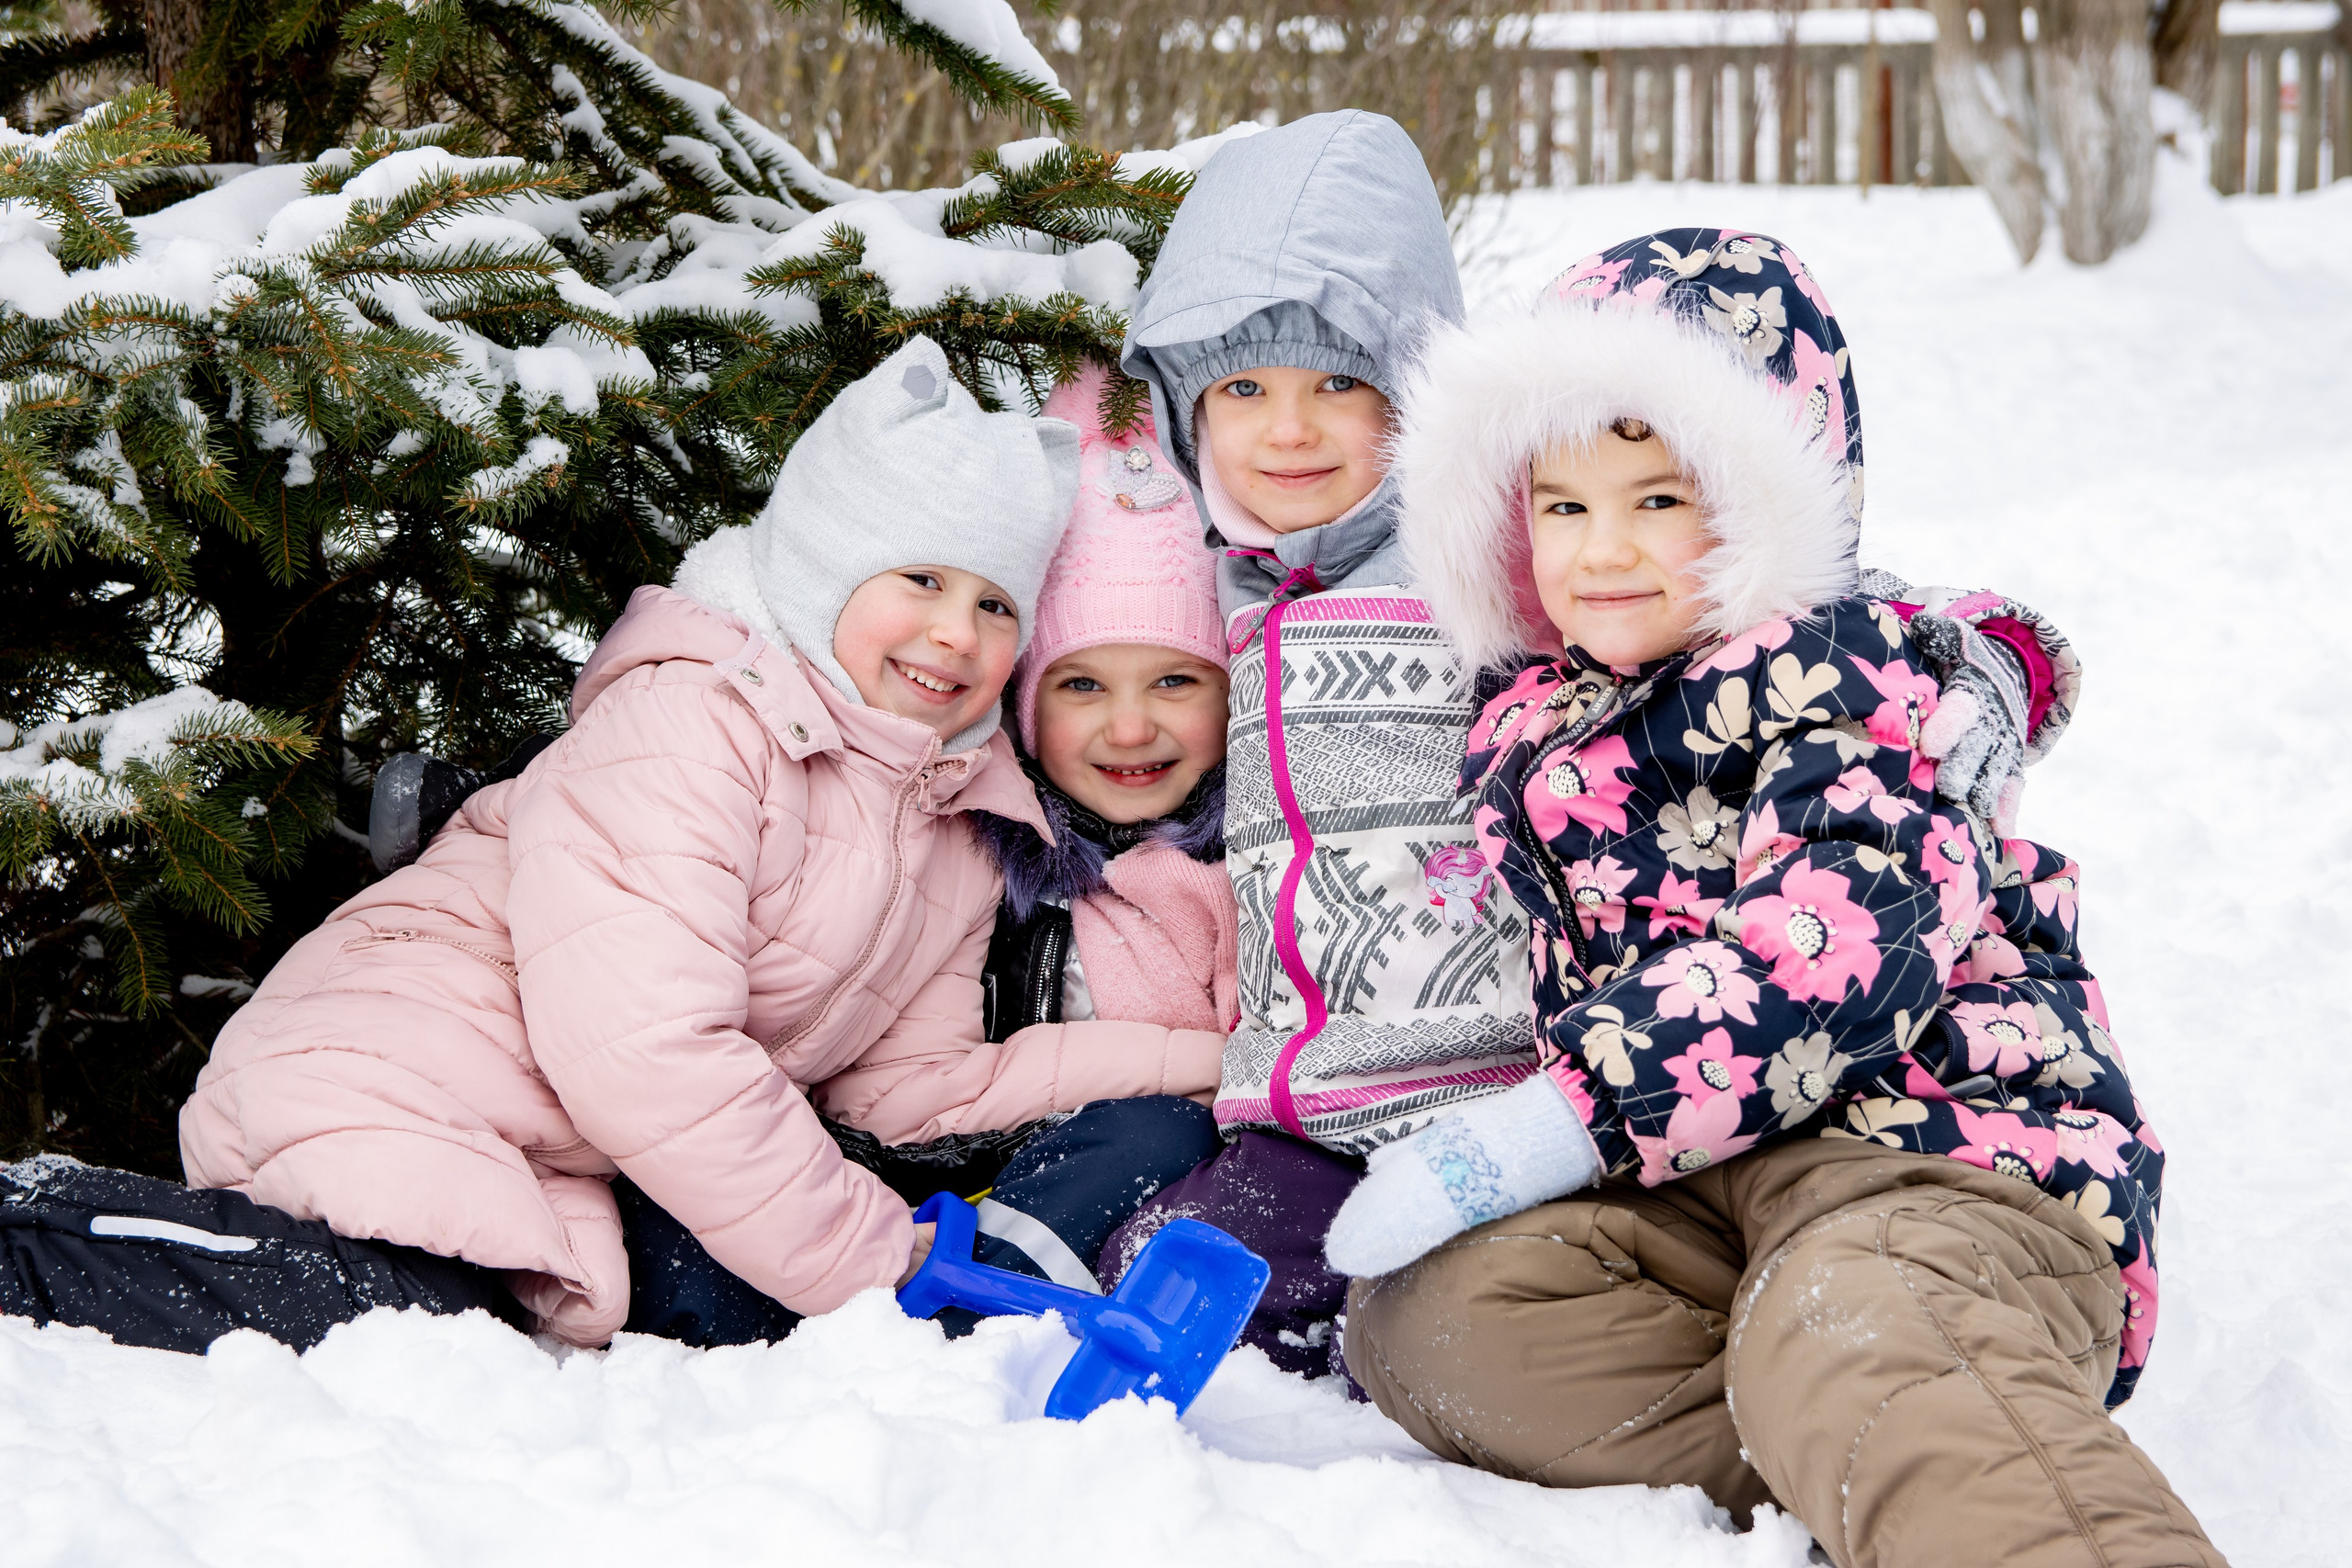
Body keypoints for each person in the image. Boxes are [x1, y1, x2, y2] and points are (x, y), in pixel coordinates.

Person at [26, 334, 1220, 1356]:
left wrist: (1216, 1059)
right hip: (396, 1076)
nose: (957, 633)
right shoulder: (694, 723)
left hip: (545, 1148)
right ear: (827, 560)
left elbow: (909, 1089)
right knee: (381, 1317)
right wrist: (871, 1262)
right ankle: (28, 1234)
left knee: (472, 1336)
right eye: (921, 578)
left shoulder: (955, 824)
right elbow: (647, 1050)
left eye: (996, 603)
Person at [1327, 230, 2221, 1567]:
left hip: (1929, 1157)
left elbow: (1829, 953)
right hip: (1701, 1181)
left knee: (1852, 1310)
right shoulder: (1543, 712)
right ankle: (1880, 1424)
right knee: (1439, 1319)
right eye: (1562, 507)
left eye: (1657, 500)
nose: (1602, 550)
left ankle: (1930, 1412)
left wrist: (1557, 1119)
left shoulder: (1853, 683)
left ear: (1766, 502)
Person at [1099, 110, 1539, 1376]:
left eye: (1337, 385)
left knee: (1414, 1320)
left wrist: (1977, 655)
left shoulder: (1485, 561)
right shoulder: (1236, 580)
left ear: (1415, 389)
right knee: (1149, 1263)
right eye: (1243, 389)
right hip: (1306, 1112)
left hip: (1478, 1096)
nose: (1287, 432)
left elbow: (1701, 608)